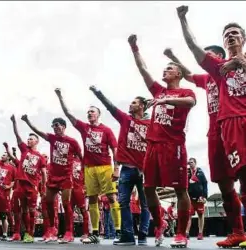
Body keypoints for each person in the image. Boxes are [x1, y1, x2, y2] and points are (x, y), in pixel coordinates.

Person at [177, 5, 246, 248]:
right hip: (229, 125)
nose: (231, 36)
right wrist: (182, 19)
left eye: (235, 33)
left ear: (244, 39)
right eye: (227, 34)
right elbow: (194, 51)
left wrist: (240, 62)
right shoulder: (215, 71)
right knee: (243, 177)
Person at [163, 45, 246, 246]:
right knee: (224, 184)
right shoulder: (207, 80)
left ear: (219, 57)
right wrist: (173, 56)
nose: (205, 59)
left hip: (234, 125)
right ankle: (238, 232)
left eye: (209, 55)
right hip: (215, 133)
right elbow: (187, 74)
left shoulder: (227, 73)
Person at [128, 33, 196, 247]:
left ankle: (182, 233)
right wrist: (134, 48)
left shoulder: (185, 90)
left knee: (180, 190)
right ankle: (159, 224)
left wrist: (168, 99)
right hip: (153, 146)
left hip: (173, 146)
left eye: (169, 68)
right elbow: (143, 70)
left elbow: (191, 102)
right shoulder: (158, 91)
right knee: (148, 188)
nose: (165, 71)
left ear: (179, 73)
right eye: (164, 68)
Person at [55, 88, 120, 244]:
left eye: (92, 112)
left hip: (105, 166)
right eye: (88, 112)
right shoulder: (84, 128)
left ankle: (119, 230)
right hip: (89, 168)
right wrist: (60, 96)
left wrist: (116, 168)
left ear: (98, 114)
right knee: (91, 199)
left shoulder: (106, 130)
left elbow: (115, 148)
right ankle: (95, 233)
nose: (89, 114)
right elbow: (69, 115)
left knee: (111, 197)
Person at [90, 85, 151, 245]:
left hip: (145, 170)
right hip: (126, 169)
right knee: (123, 202)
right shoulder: (126, 119)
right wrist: (98, 92)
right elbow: (110, 107)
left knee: (145, 204)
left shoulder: (151, 124)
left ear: (142, 106)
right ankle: (128, 236)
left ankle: (143, 235)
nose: (130, 105)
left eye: (134, 102)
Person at [21, 115, 83, 243]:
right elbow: (38, 131)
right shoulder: (52, 138)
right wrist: (28, 121)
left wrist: (84, 173)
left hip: (66, 177)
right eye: (53, 126)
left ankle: (69, 232)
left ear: (64, 127)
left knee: (66, 204)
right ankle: (52, 229)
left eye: (57, 125)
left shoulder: (73, 142)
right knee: (48, 201)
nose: (55, 128)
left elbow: (81, 157)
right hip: (53, 177)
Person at [9, 114, 48, 243]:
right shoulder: (24, 150)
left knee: (32, 211)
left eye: (31, 139)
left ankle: (30, 234)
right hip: (21, 185)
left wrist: (43, 188)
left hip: (32, 186)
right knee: (23, 210)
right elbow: (17, 135)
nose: (28, 141)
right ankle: (24, 233)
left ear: (36, 141)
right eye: (28, 139)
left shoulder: (40, 157)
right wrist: (14, 122)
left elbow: (43, 173)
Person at [186, 158, 208, 240]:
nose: (190, 164)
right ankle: (187, 232)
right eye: (189, 163)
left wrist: (205, 196)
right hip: (190, 198)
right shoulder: (187, 172)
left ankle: (200, 233)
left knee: (200, 214)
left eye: (191, 162)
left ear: (195, 163)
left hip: (199, 198)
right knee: (188, 215)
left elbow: (205, 184)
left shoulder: (201, 172)